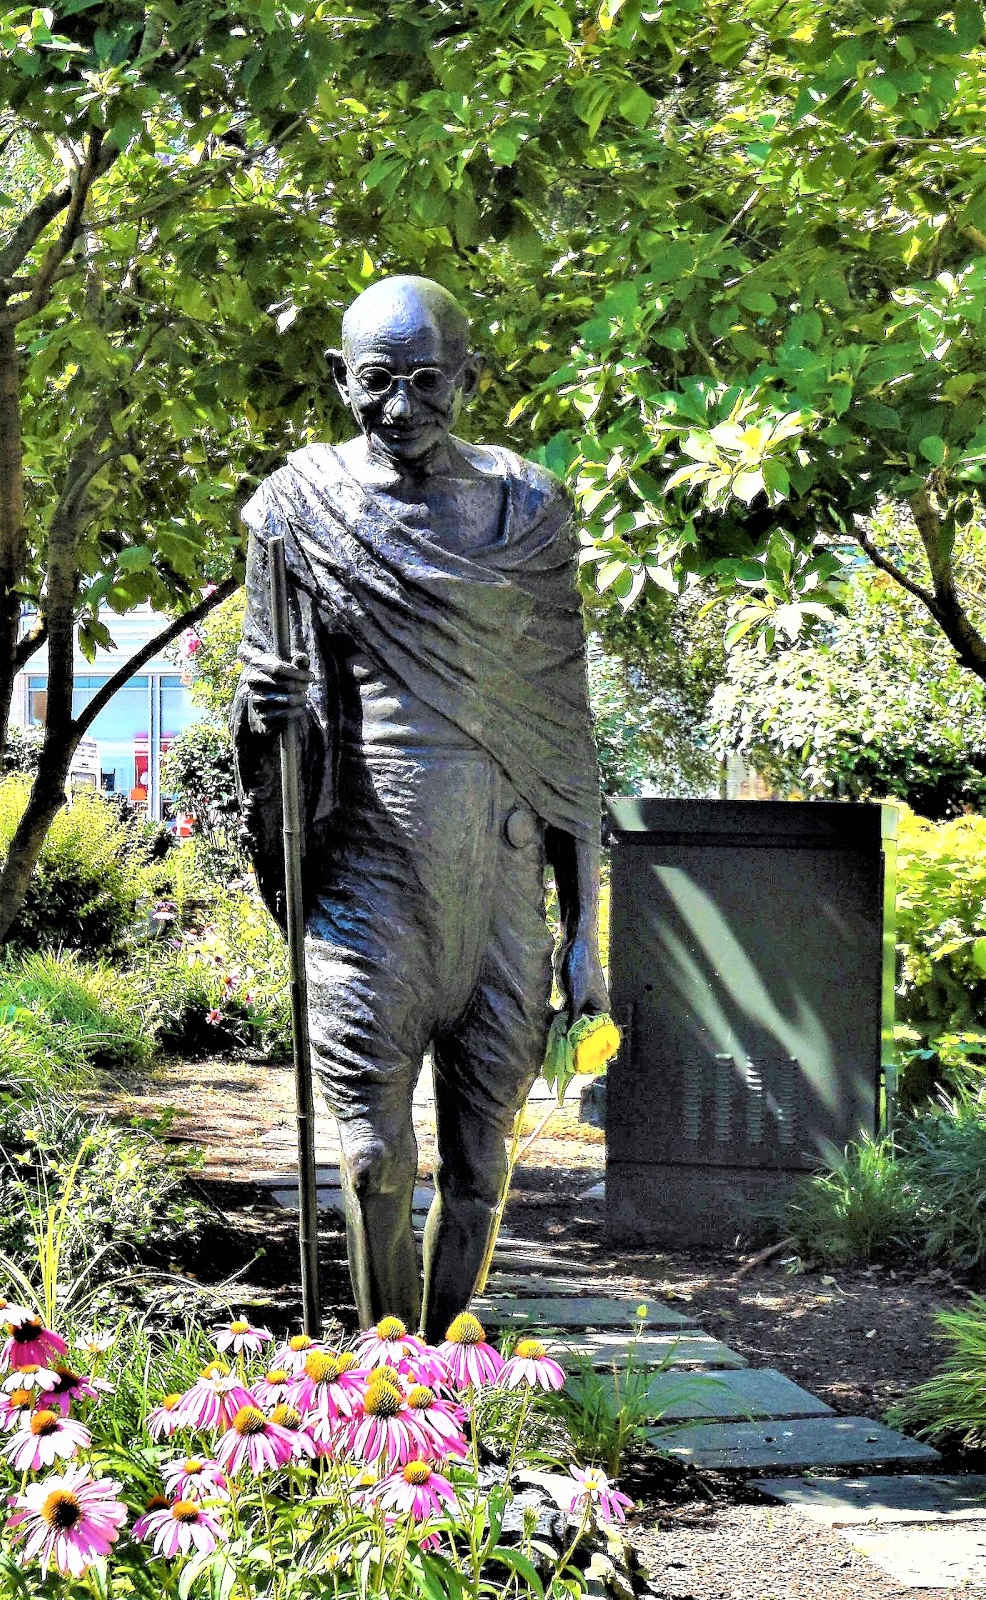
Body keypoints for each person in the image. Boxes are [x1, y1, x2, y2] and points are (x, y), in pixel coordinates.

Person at [231, 275, 607, 1339]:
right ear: (339, 379)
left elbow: (564, 732)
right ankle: (375, 1391)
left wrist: (587, 933)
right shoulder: (296, 510)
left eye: (428, 382)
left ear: (471, 377)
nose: (402, 409)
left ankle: (445, 1384)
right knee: (370, 1154)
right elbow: (272, 695)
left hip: (499, 871)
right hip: (366, 872)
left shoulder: (528, 512)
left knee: (484, 1165)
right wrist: (265, 712)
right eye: (377, 383)